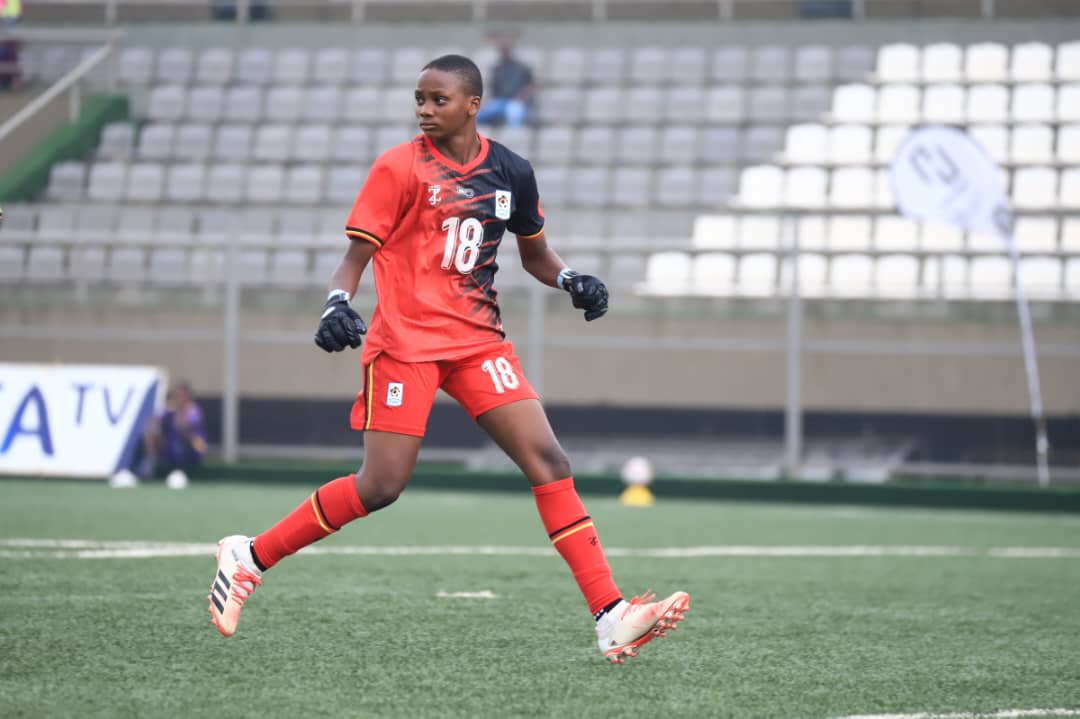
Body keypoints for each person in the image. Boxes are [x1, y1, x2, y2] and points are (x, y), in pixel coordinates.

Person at [206, 54, 689, 664]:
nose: (425, 110)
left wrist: (570, 278)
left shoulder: (512, 171)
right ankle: (248, 557)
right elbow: (352, 261)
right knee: (381, 486)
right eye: (420, 99)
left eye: (439, 99)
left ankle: (610, 615)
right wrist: (336, 304)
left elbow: (535, 254)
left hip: (478, 344)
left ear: (472, 105)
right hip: (404, 346)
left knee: (549, 461)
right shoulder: (398, 167)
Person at [138, 380, 207, 483]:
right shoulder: (169, 409)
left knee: (180, 445)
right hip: (170, 445)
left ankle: (182, 471)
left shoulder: (193, 411)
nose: (179, 398)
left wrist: (178, 413)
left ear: (187, 396)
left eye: (181, 395)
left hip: (191, 446)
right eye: (176, 395)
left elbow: (185, 430)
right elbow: (153, 423)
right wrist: (158, 433)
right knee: (149, 434)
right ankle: (149, 464)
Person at [475, 35, 535, 128]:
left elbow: (531, 85)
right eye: (502, 49)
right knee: (477, 116)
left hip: (516, 101)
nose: (504, 51)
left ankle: (513, 136)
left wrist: (523, 98)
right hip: (499, 101)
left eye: (506, 49)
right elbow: (492, 89)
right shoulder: (496, 68)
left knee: (514, 115)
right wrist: (487, 102)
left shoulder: (522, 67)